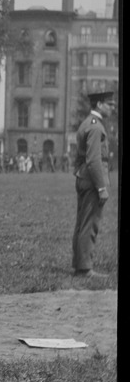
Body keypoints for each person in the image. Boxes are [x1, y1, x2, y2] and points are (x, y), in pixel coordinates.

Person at [71, 90, 114, 278]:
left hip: (83, 178)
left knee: (81, 223)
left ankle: (79, 264)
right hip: (93, 181)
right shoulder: (96, 127)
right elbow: (94, 160)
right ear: (99, 105)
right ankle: (85, 268)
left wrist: (78, 174)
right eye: (109, 104)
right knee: (90, 224)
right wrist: (102, 187)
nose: (112, 107)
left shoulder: (87, 124)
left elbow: (79, 157)